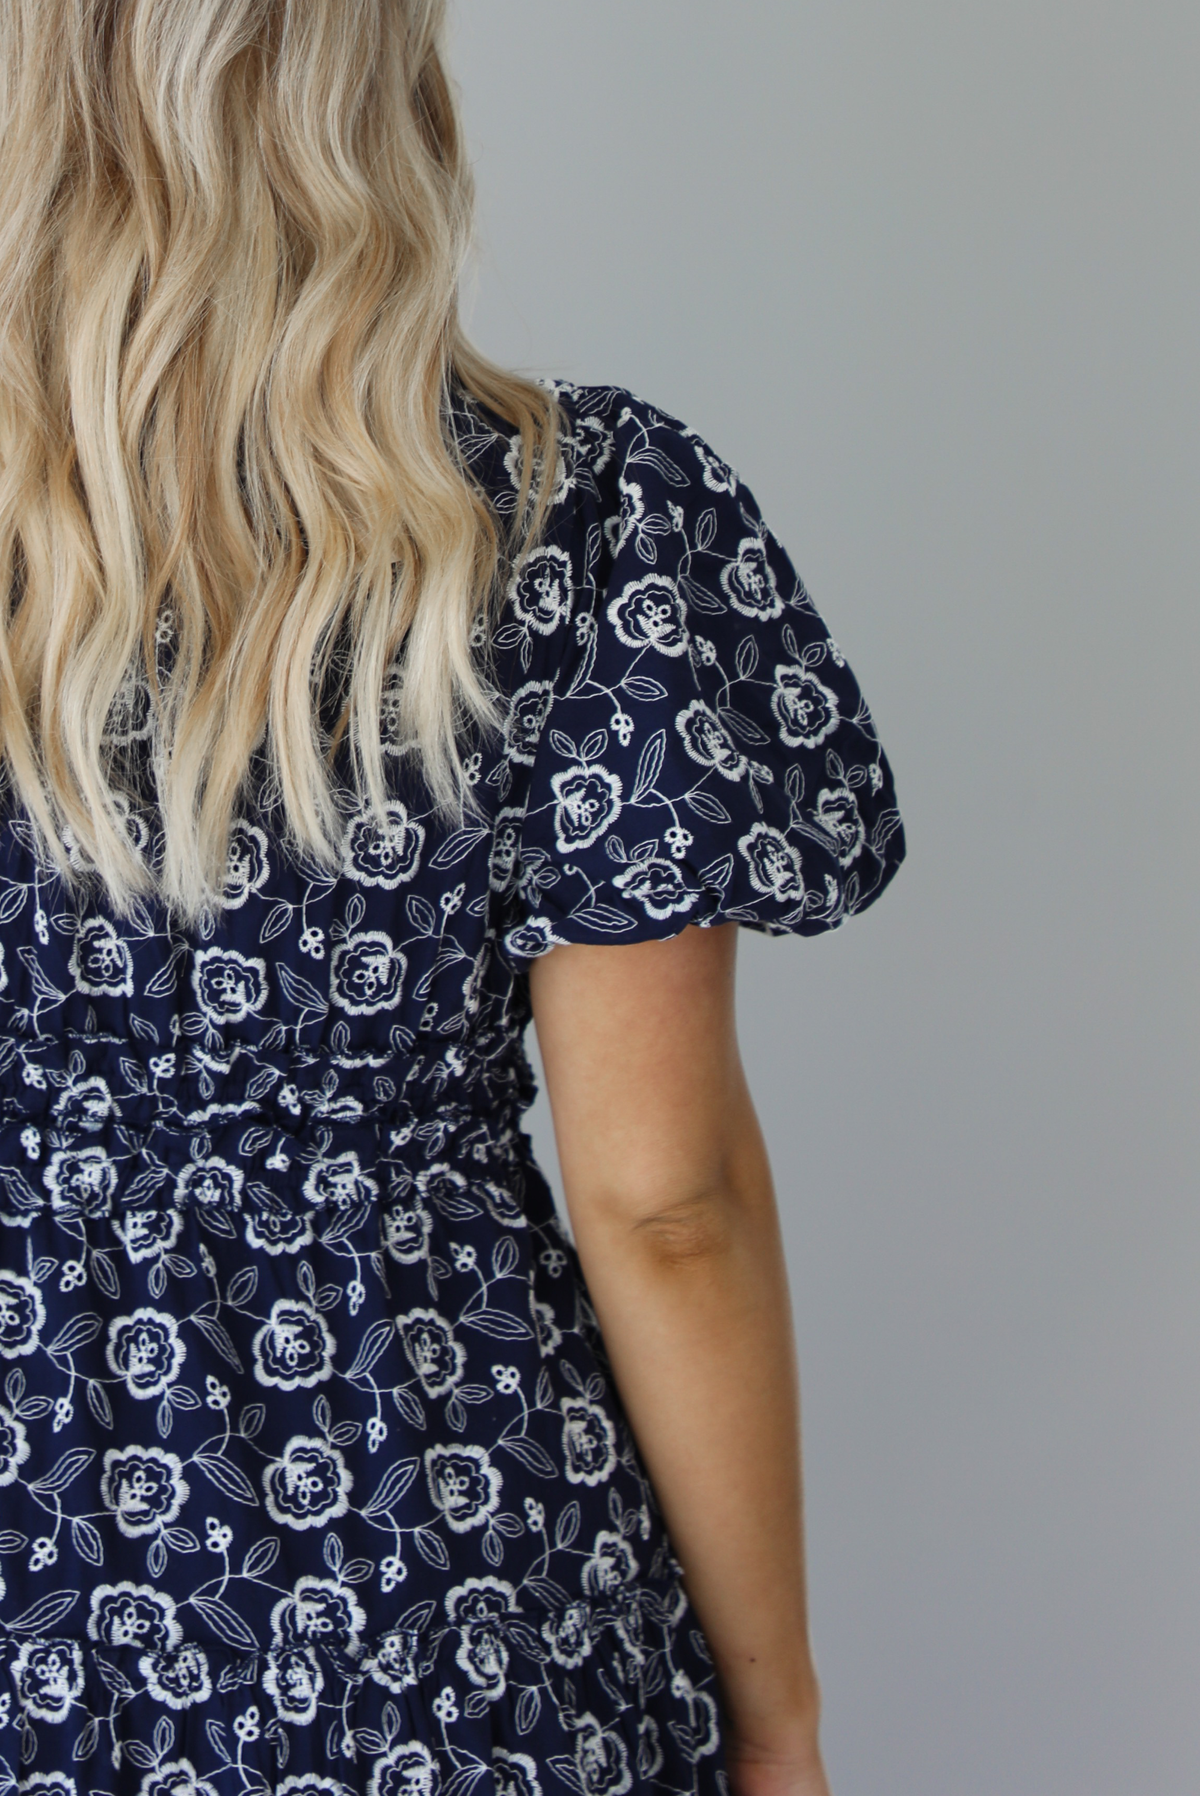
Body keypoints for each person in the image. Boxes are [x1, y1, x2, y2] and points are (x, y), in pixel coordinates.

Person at [0, 4, 904, 1795]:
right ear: (379, 86)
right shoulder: (580, 526)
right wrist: (779, 1711)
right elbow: (666, 1203)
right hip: (435, 1586)